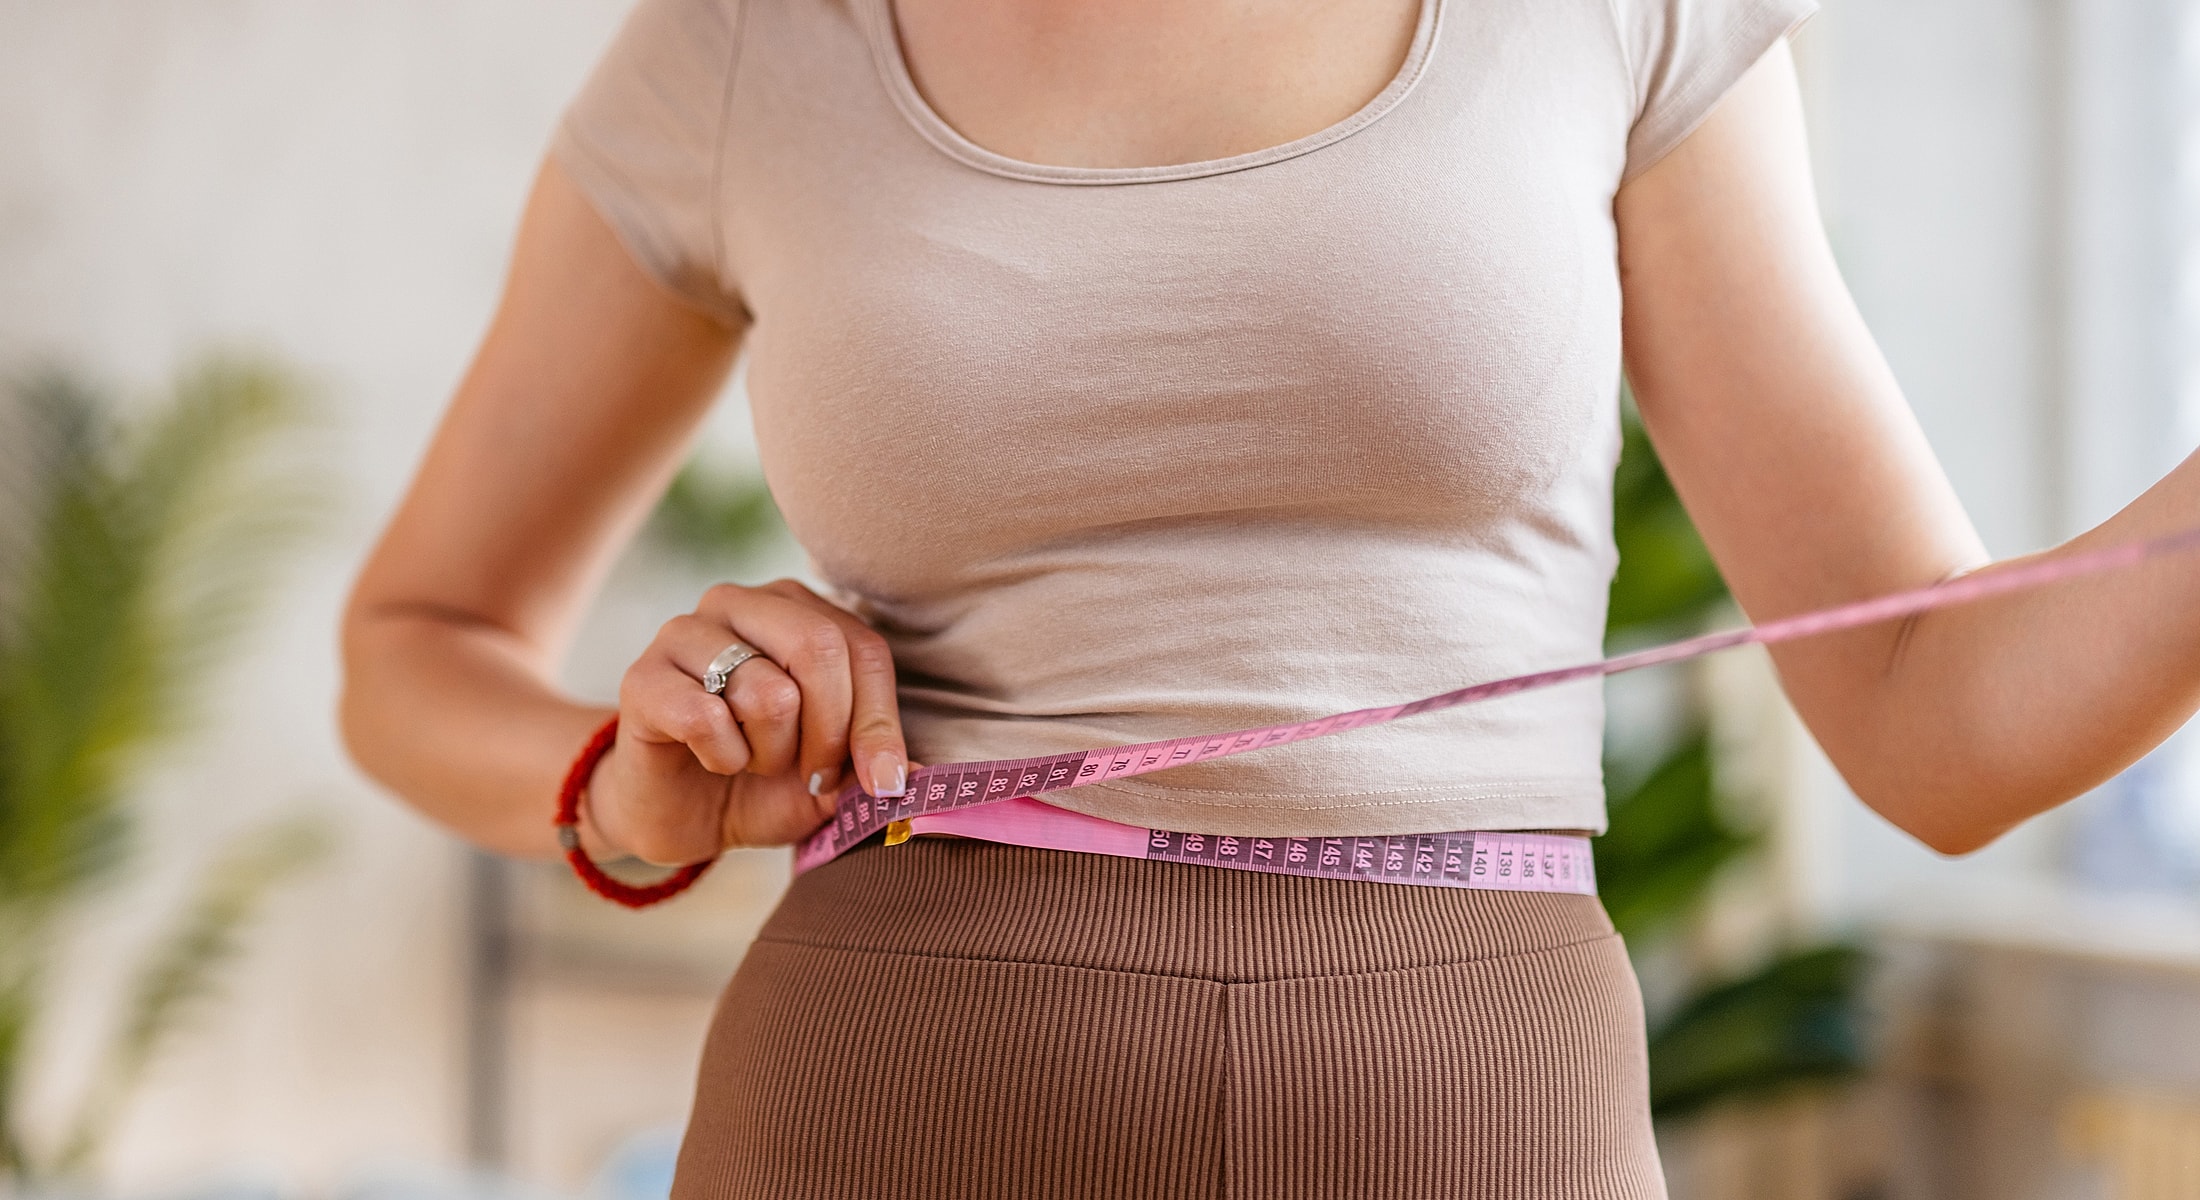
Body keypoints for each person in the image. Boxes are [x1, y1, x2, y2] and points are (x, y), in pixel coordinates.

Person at [337, 0, 2200, 1192]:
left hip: (1479, 1112)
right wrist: (623, 774)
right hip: (884, 1104)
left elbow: (1933, 714)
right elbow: (413, 645)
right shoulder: (757, 41)